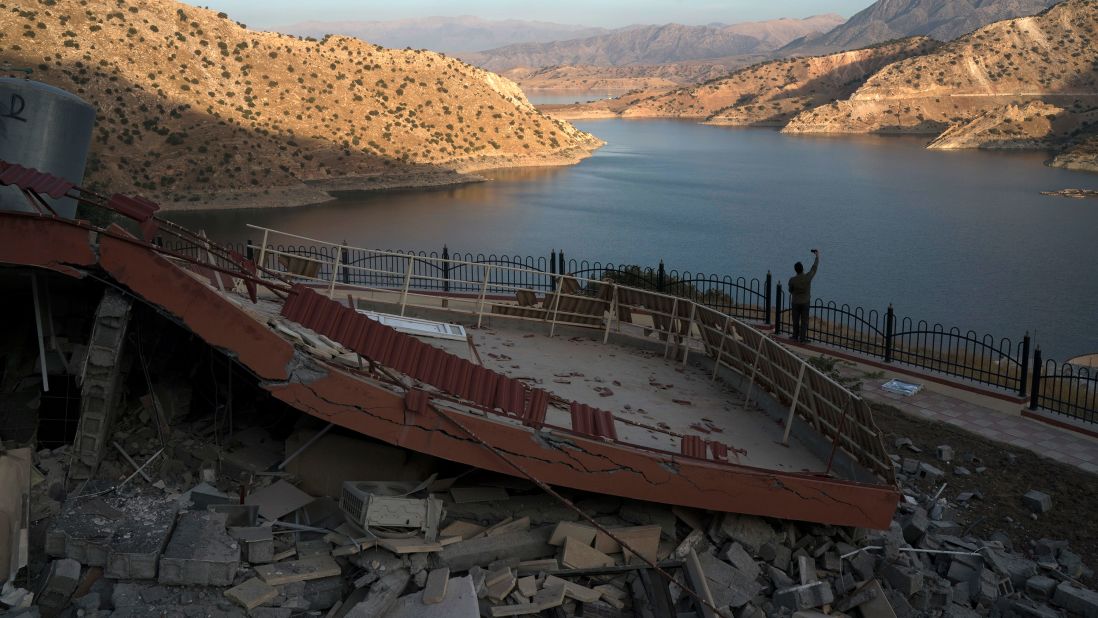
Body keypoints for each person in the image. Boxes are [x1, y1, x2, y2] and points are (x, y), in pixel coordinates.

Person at [788, 249, 819, 343]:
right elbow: (814, 268)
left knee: (795, 320)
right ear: (803, 268)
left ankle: (794, 336)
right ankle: (802, 338)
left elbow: (790, 290)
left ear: (795, 270)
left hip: (795, 302)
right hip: (805, 302)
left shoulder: (792, 280)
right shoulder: (807, 277)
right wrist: (817, 257)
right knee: (804, 321)